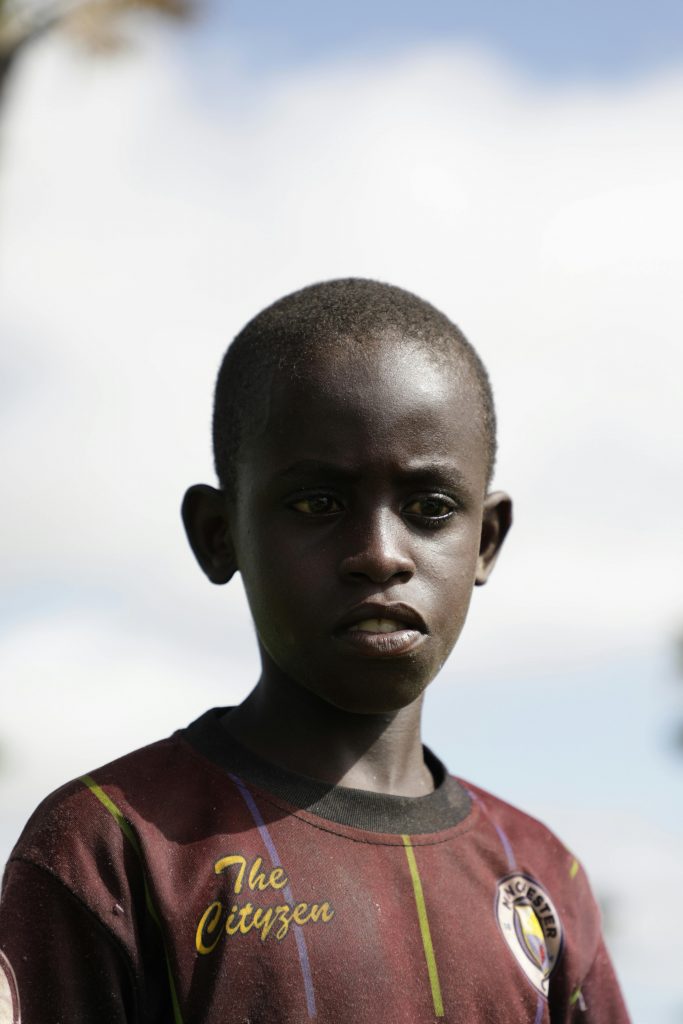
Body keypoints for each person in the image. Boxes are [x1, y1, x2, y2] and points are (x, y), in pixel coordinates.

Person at [0, 279, 630, 1023]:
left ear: (485, 540)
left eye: (429, 509)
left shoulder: (541, 874)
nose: (379, 555)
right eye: (317, 504)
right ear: (217, 532)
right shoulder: (109, 846)